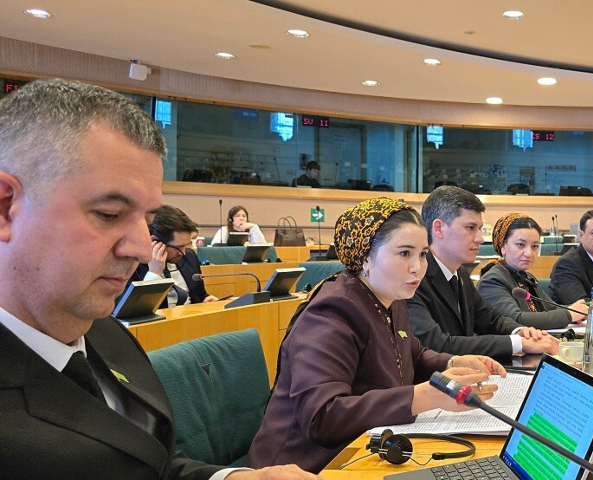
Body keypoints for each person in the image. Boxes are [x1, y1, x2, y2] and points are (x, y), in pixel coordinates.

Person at [0, 79, 315, 479]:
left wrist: (234, 478)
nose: (139, 247)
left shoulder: (106, 333)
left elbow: (150, 464)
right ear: (6, 206)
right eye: (109, 214)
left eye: (147, 221)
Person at [248, 198, 505, 473]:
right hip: (304, 467)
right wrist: (423, 397)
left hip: (365, 452)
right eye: (404, 253)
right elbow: (322, 418)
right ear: (366, 258)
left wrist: (453, 363)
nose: (417, 267)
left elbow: (412, 355)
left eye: (422, 254)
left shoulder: (391, 299)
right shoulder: (330, 314)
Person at [407, 186, 560, 357]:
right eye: (470, 228)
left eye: (479, 228)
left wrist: (520, 332)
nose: (480, 238)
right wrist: (518, 344)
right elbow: (437, 344)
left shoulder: (460, 272)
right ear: (438, 228)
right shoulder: (413, 278)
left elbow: (490, 319)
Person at [477, 214, 588, 330]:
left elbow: (551, 308)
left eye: (535, 246)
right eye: (520, 245)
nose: (529, 253)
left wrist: (577, 310)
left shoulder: (526, 277)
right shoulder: (491, 281)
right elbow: (516, 320)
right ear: (503, 247)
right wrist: (569, 314)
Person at [128, 204, 218, 307]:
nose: (183, 253)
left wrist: (206, 300)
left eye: (186, 245)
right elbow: (135, 310)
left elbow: (200, 295)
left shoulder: (189, 257)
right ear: (155, 241)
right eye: (178, 247)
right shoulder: (132, 264)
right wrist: (154, 273)